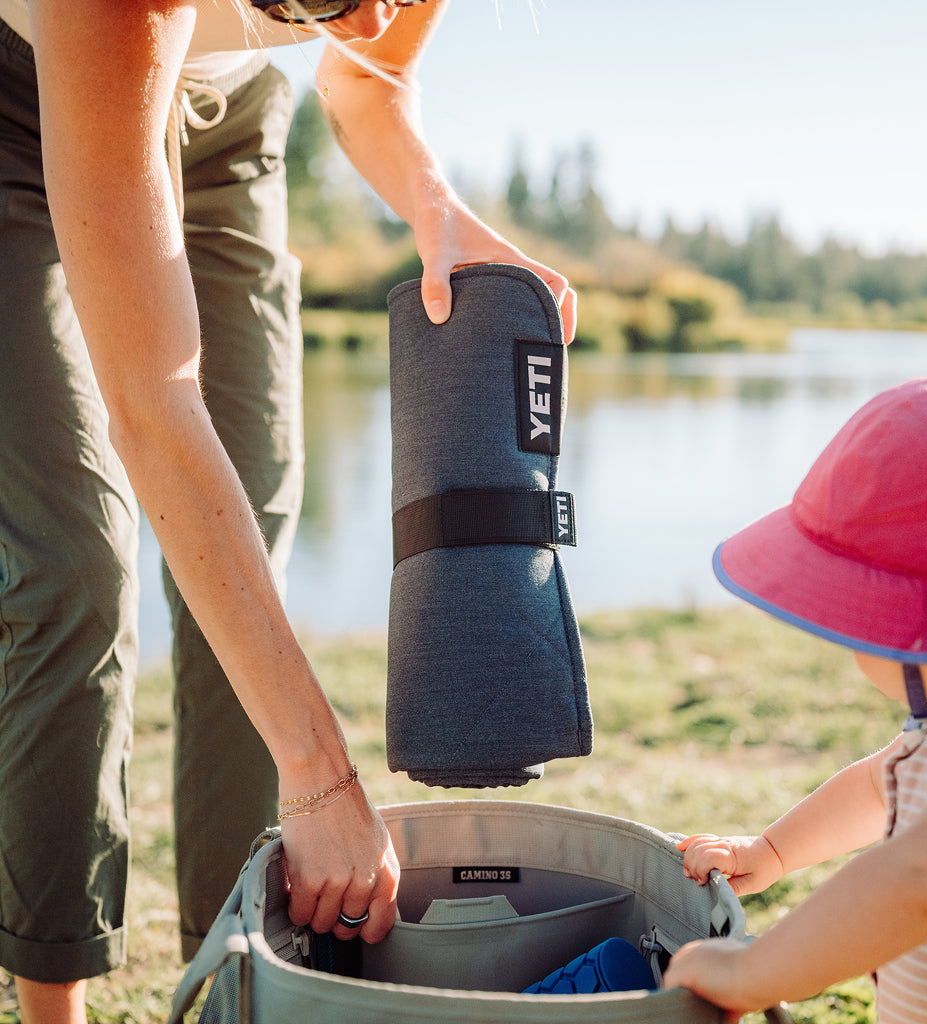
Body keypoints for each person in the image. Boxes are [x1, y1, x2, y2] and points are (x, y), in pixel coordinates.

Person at [0, 0, 578, 1020]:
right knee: (75, 568)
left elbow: (369, 78)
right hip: (23, 102)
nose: (385, 12)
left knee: (247, 542)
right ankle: (57, 1000)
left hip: (232, 131)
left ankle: (235, 980)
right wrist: (321, 775)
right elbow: (154, 403)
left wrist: (435, 204)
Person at [662, 373, 927, 1023]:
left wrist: (752, 972)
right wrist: (770, 851)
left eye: (862, 623)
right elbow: (876, 788)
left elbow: (920, 880)